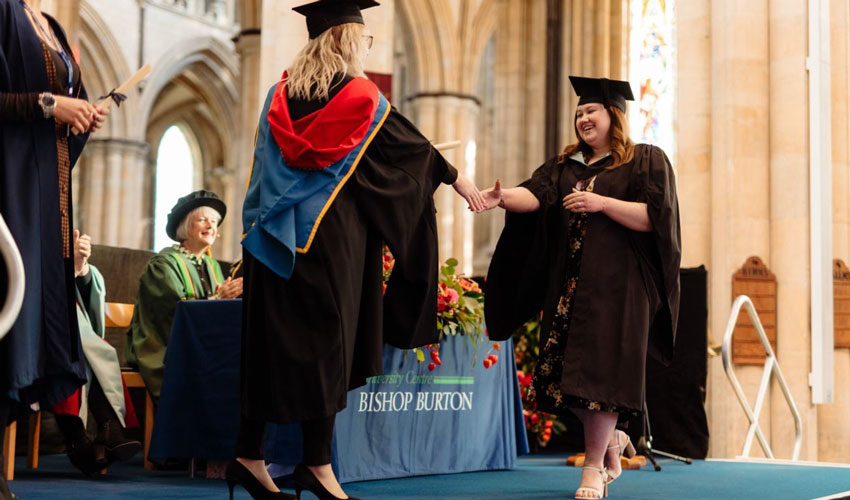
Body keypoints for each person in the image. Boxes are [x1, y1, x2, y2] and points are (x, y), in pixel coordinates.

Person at [229, 1, 486, 499]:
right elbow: (409, 151)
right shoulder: (362, 97)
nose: (367, 50)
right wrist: (455, 177)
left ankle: (248, 453)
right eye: (365, 41)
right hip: (329, 245)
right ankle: (317, 466)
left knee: (268, 348)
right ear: (349, 41)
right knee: (327, 349)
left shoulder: (278, 95)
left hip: (270, 240)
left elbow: (262, 173)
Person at [481, 76, 680, 499]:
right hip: (569, 287)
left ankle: (593, 469)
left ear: (614, 115)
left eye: (591, 111)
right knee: (565, 380)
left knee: (601, 379)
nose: (583, 118)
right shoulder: (563, 167)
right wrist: (501, 198)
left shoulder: (644, 160)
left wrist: (600, 202)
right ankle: (612, 440)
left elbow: (655, 219)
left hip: (620, 291)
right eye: (578, 113)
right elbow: (534, 196)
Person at [0, 1, 109, 497]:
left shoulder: (57, 27)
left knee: (43, 322)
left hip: (50, 201)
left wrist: (80, 114)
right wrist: (50, 104)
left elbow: (65, 108)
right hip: (12, 190)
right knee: (10, 318)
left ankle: (71, 435)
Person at [125, 190, 242, 401]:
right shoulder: (163, 265)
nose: (211, 226)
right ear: (185, 226)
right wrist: (217, 300)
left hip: (202, 347)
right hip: (163, 349)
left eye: (214, 222)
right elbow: (172, 313)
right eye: (203, 220)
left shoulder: (212, 265)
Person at [50, 230, 142, 476]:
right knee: (82, 349)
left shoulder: (63, 238)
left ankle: (84, 440)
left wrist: (80, 268)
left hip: (70, 336)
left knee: (83, 348)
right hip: (36, 330)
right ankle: (100, 430)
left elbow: (87, 292)